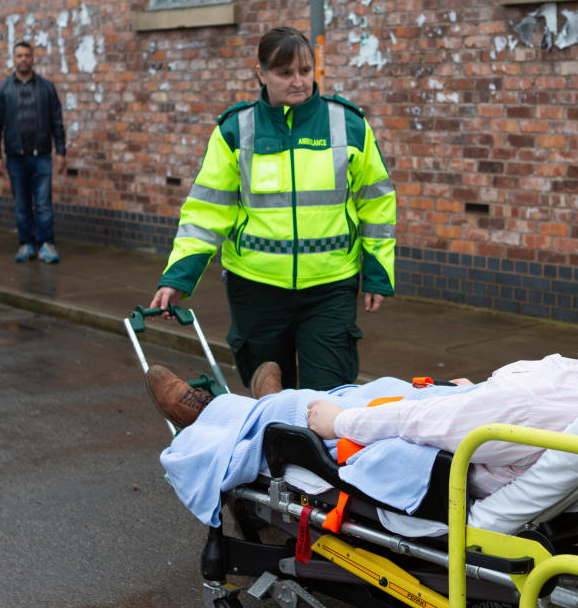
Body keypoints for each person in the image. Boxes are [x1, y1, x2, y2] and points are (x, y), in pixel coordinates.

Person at [145, 282, 578, 525]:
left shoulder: (564, 398)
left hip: (439, 463)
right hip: (477, 428)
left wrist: (345, 421)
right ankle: (270, 403)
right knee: (380, 387)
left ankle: (209, 413)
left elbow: (444, 424)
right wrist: (477, 393)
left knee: (333, 412)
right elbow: (486, 411)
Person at [149, 26, 395, 392]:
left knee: (328, 399)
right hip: (256, 291)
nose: (298, 82)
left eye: (306, 71)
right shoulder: (236, 130)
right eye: (285, 73)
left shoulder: (348, 124)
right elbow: (206, 211)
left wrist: (377, 272)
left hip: (329, 289)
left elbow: (376, 204)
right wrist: (178, 276)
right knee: (269, 400)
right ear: (261, 73)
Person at [0, 41, 67, 264]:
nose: (23, 59)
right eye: (19, 56)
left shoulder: (46, 88)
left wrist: (60, 151)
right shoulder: (3, 90)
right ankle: (26, 243)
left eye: (27, 56)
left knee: (43, 203)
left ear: (33, 59)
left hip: (41, 156)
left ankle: (46, 244)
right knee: (22, 204)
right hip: (15, 157)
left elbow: (57, 122)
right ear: (14, 59)